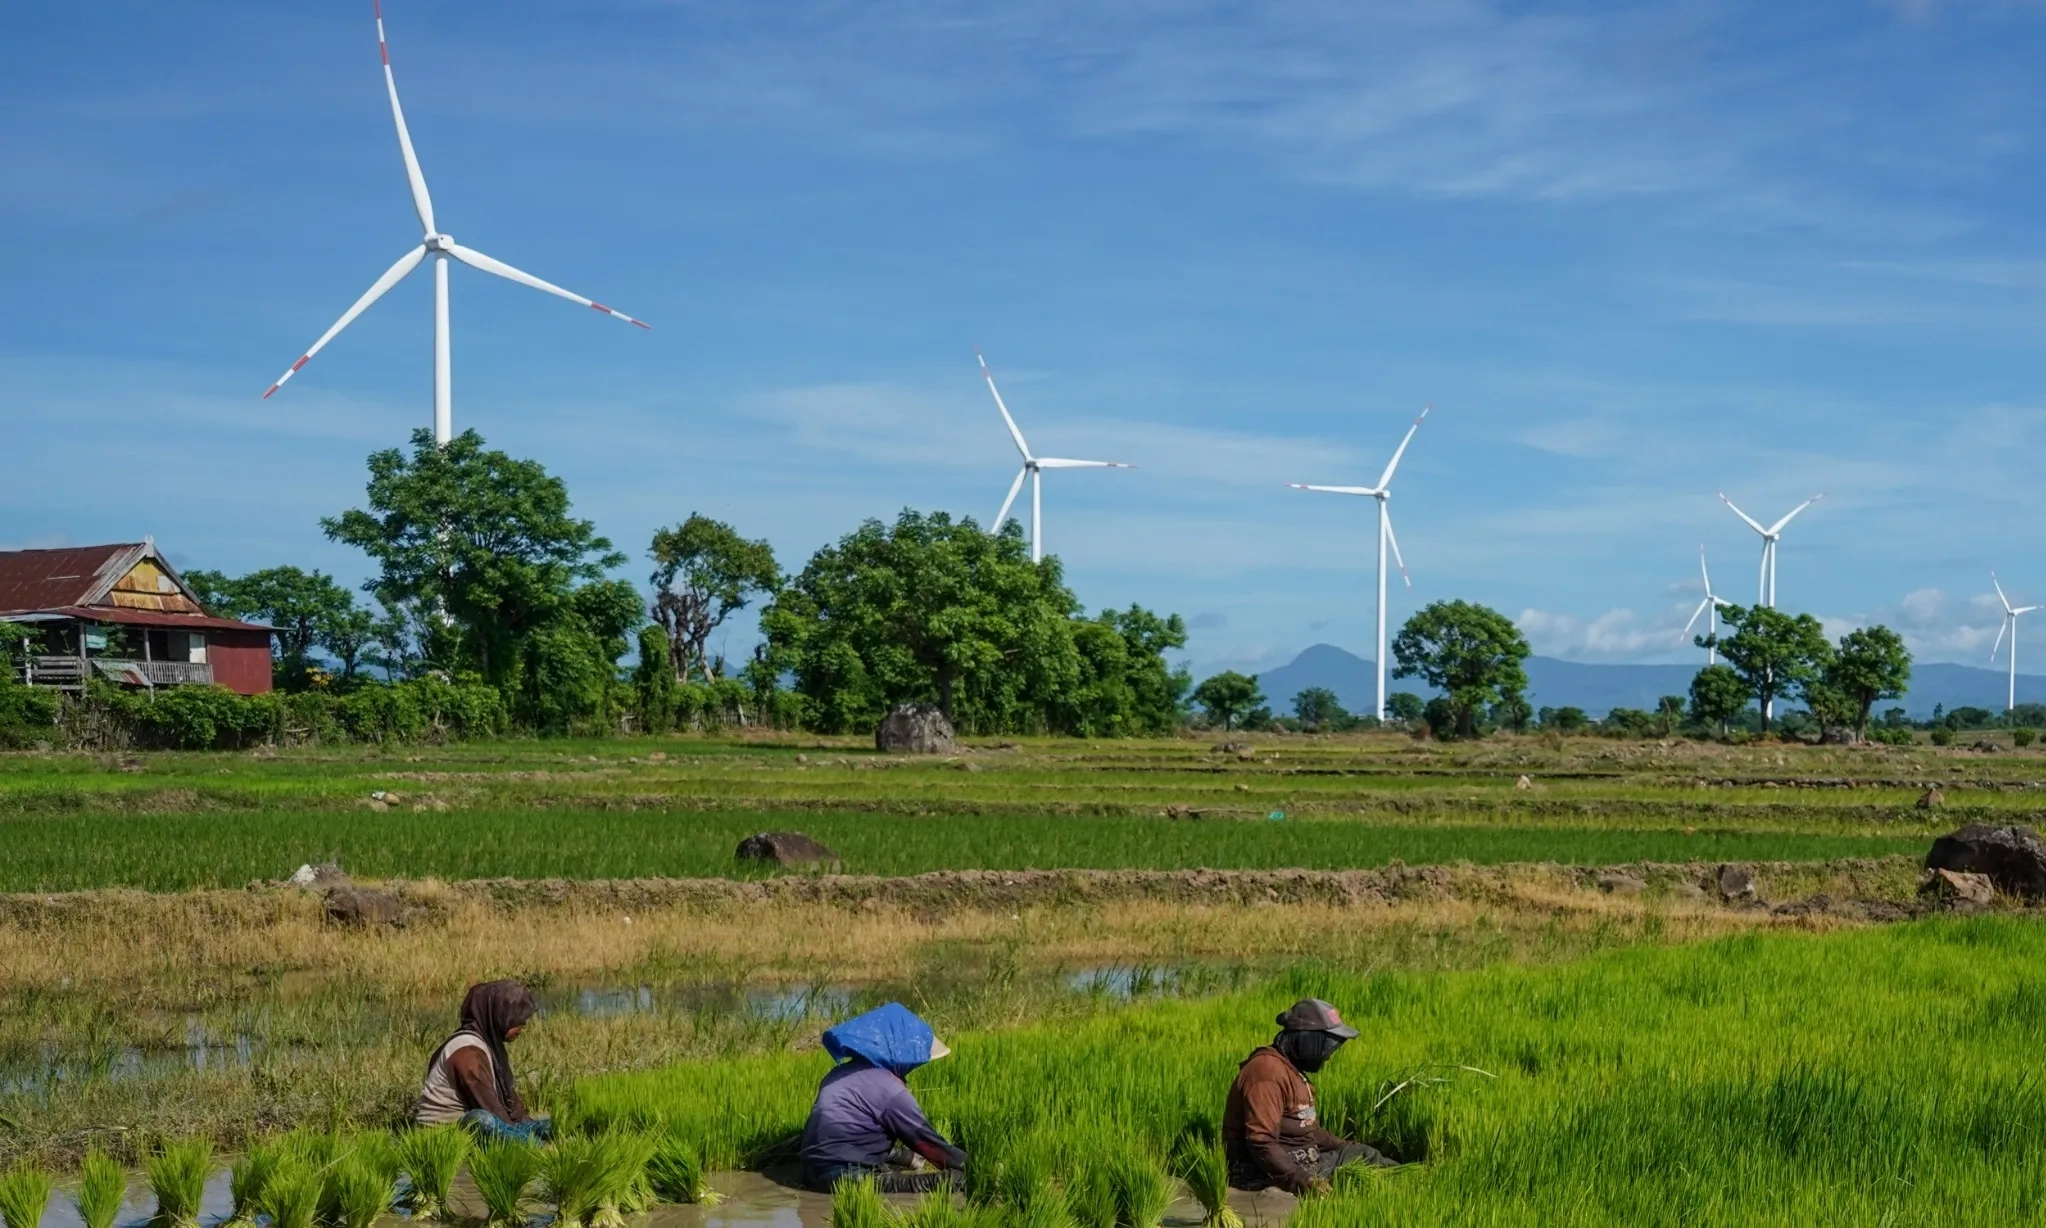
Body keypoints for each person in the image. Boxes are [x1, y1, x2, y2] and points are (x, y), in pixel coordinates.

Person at [1223, 998, 1396, 1194]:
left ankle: (1415, 1181)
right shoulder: (1266, 1072)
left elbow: (1306, 1129)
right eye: (1326, 1046)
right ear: (1307, 1039)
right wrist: (1304, 1182)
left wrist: (1345, 1146)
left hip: (1302, 1160)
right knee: (1362, 1170)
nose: (1328, 1056)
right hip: (1266, 1172)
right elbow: (1261, 1141)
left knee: (1365, 1155)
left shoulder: (1292, 1069)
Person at [800, 1002, 968, 1193]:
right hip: (847, 1178)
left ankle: (902, 1159)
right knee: (950, 1181)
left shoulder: (837, 1074)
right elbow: (927, 1143)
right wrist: (972, 1165)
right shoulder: (890, 1090)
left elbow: (848, 1136)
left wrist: (906, 1156)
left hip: (809, 1171)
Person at [416, 979, 553, 1142]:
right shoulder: (467, 1053)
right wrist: (524, 1136)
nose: (522, 1025)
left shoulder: (488, 1046)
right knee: (482, 1119)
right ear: (498, 1016)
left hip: (484, 1124)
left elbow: (512, 1109)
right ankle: (536, 1147)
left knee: (550, 1125)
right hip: (446, 1135)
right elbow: (491, 1110)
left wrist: (528, 1124)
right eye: (516, 1019)